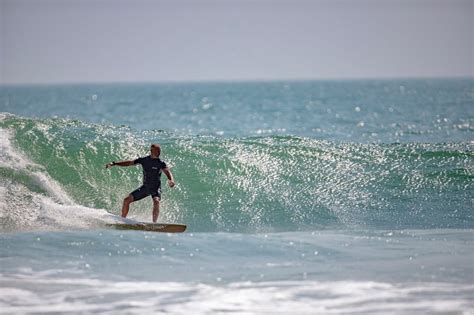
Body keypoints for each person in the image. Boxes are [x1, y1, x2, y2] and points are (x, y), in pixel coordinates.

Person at [105, 144, 175, 223]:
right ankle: (122, 220)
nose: (159, 152)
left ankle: (154, 223)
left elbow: (167, 171)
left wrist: (171, 180)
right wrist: (114, 163)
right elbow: (129, 163)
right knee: (126, 200)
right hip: (145, 188)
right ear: (151, 151)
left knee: (156, 201)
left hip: (155, 188)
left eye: (159, 151)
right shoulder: (144, 160)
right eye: (157, 150)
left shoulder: (161, 163)